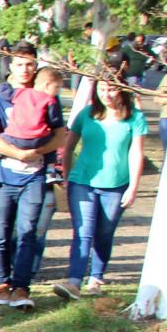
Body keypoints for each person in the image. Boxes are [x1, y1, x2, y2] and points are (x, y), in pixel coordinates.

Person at [0, 41, 66, 310]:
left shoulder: (47, 97)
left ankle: (21, 287)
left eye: (30, 64)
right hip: (5, 175)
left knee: (28, 232)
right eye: (19, 64)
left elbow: (60, 135)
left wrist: (37, 152)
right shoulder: (0, 98)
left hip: (36, 176)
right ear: (11, 65)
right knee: (2, 233)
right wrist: (18, 154)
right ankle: (0, 283)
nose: (25, 69)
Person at [55, 79, 148, 300]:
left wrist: (133, 187)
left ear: (123, 90)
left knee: (104, 233)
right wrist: (67, 178)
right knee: (83, 231)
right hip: (83, 181)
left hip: (116, 184)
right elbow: (68, 148)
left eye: (112, 89)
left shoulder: (135, 118)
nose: (106, 94)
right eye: (102, 89)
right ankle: (74, 281)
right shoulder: (86, 114)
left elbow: (136, 154)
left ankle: (96, 277)